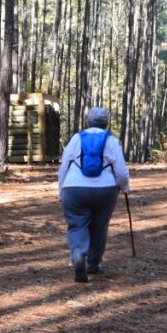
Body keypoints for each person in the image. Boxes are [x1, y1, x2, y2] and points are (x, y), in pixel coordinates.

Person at [57, 107, 130, 283]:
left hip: (74, 189)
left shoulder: (76, 139)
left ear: (87, 122)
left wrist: (61, 190)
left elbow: (63, 168)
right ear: (106, 123)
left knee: (77, 225)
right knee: (99, 226)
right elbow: (121, 171)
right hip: (105, 190)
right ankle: (94, 263)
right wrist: (125, 187)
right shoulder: (112, 141)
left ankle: (78, 254)